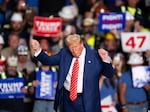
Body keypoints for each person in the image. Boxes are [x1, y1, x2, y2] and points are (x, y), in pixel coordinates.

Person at [30, 34, 114, 112]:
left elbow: (109, 74)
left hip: (87, 99)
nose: (74, 51)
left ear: (81, 44)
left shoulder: (94, 56)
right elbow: (48, 60)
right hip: (68, 99)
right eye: (71, 48)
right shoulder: (64, 54)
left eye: (76, 47)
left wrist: (105, 60)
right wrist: (38, 50)